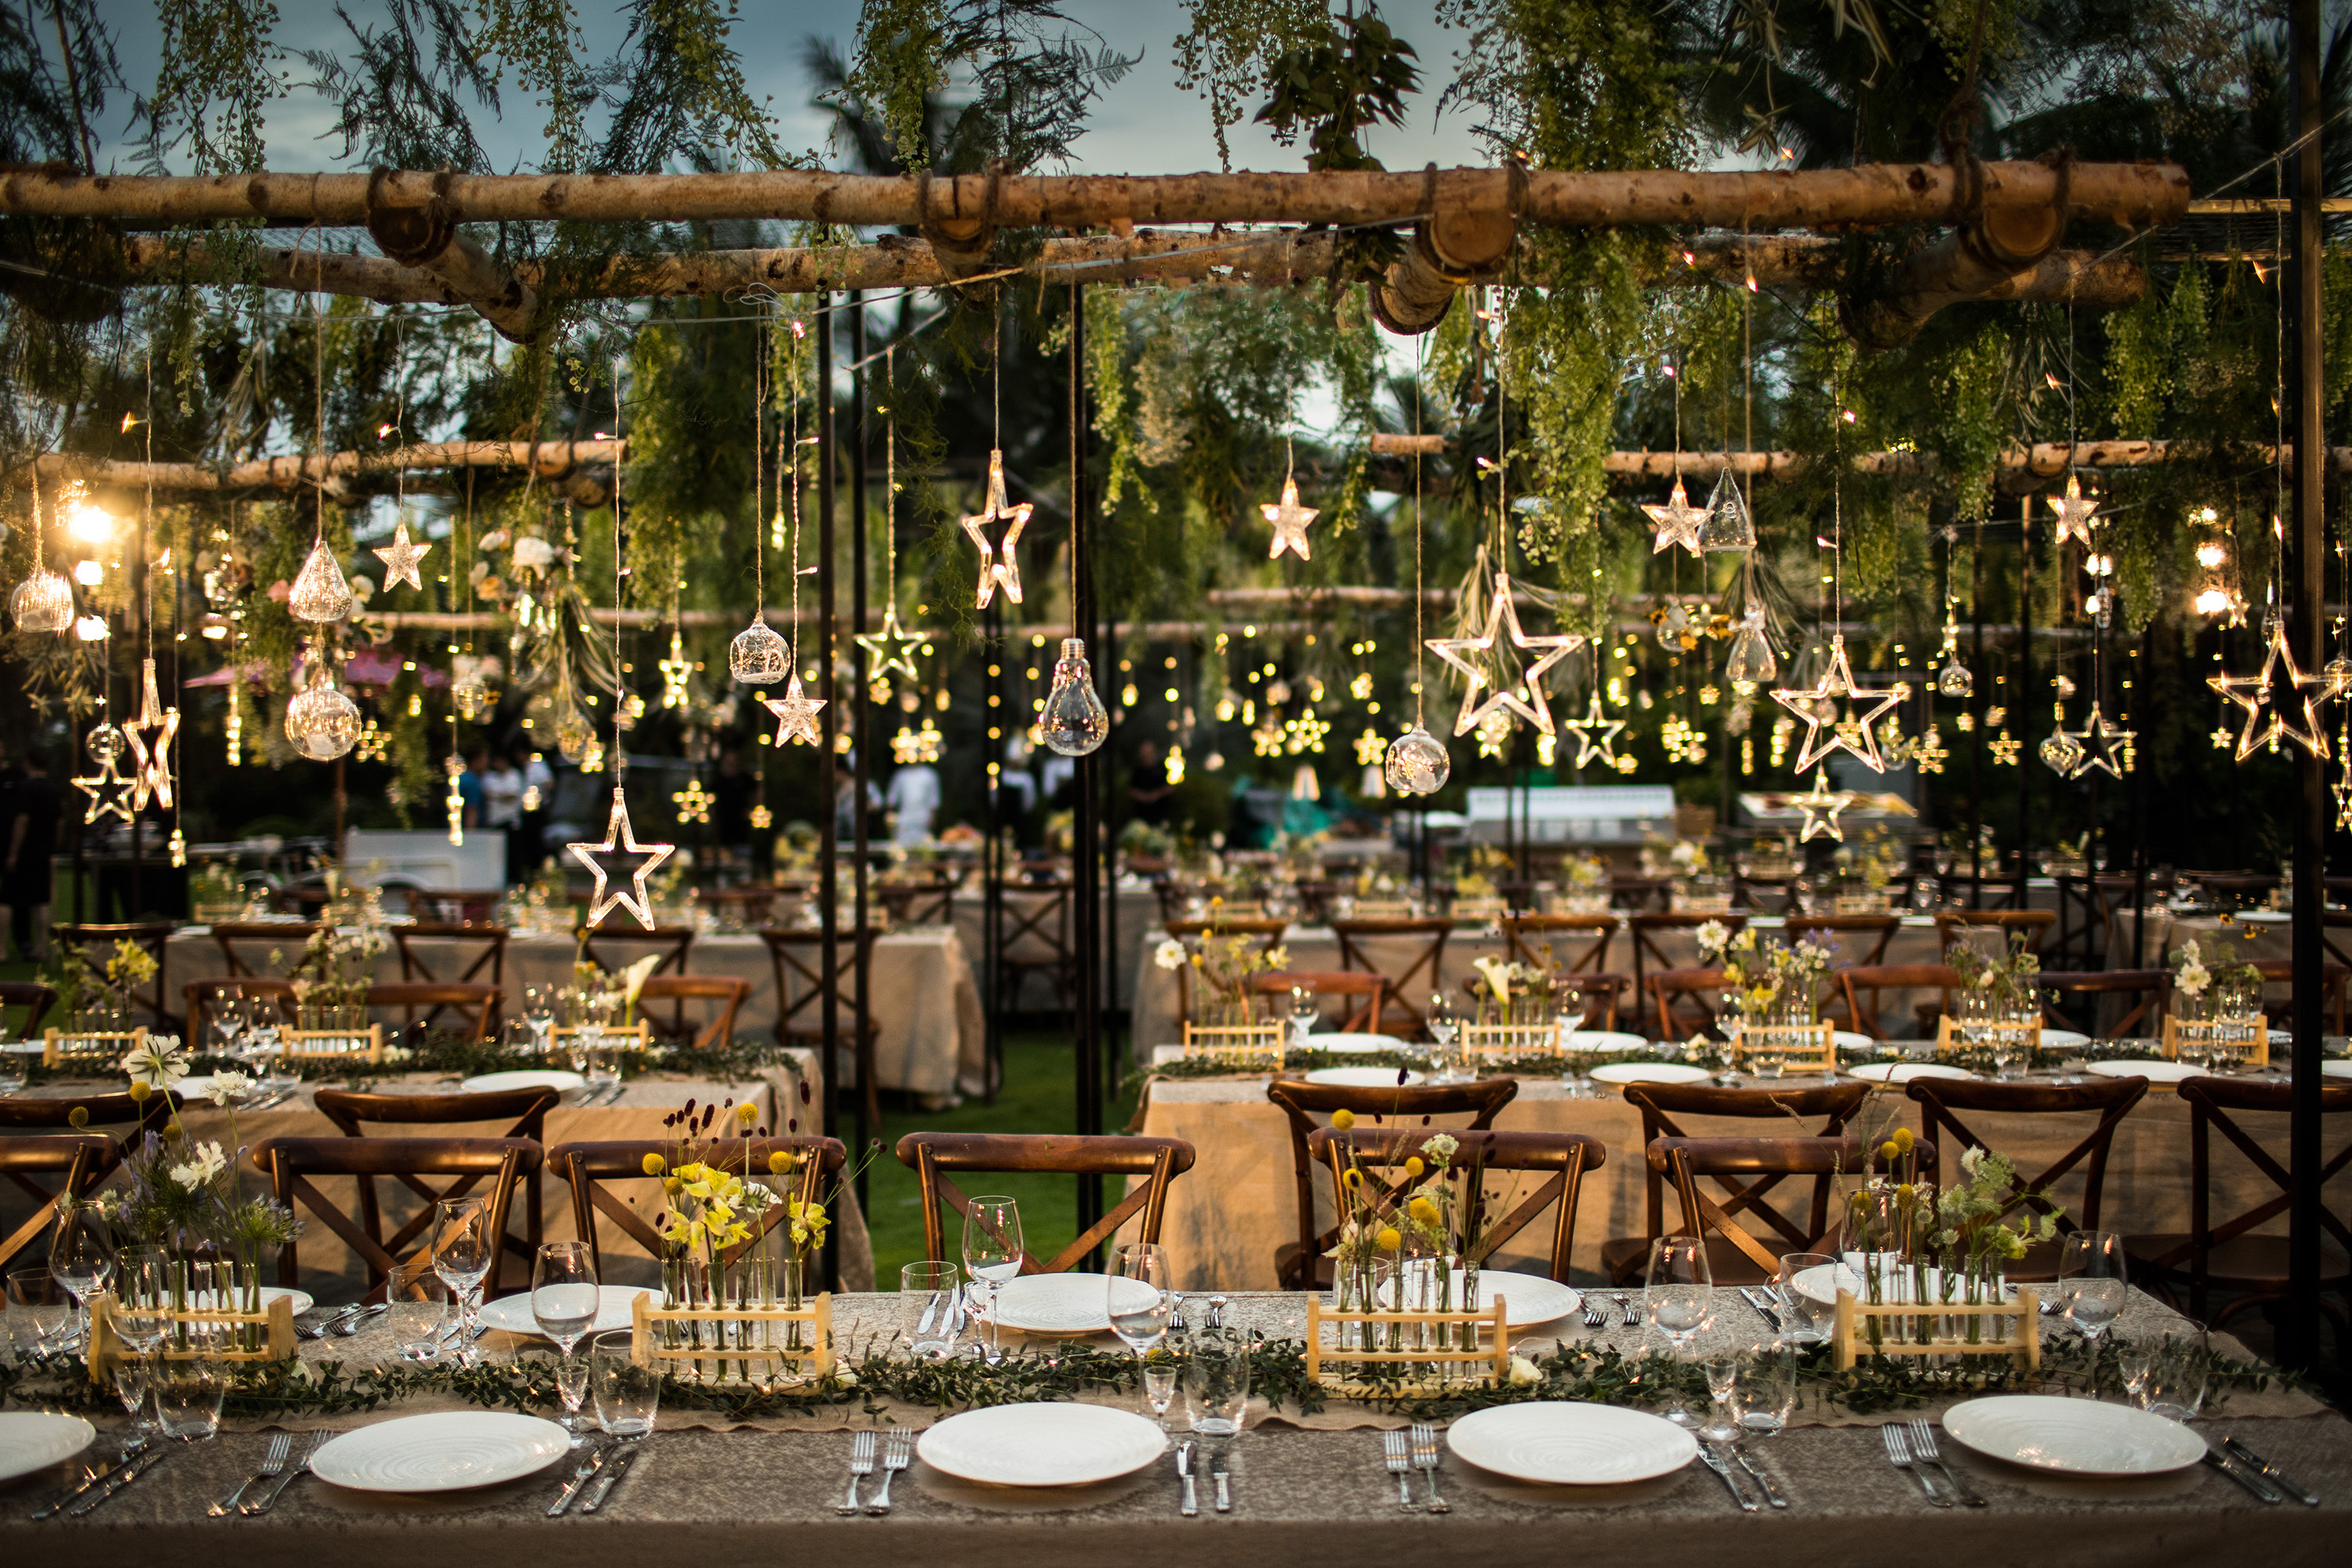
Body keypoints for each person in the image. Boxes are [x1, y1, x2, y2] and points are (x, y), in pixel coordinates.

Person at [2, 748, 59, 961]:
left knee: (7, 898)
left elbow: (22, 820)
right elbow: (59, 822)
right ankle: (41, 947)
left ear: (28, 763)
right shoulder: (53, 788)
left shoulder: (25, 788)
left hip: (25, 850)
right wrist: (53, 847)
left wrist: (13, 852)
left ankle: (1, 949)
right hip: (43, 851)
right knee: (42, 900)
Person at [885, 760, 941, 846]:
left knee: (923, 846)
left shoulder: (929, 775)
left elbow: (934, 799)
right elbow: (892, 797)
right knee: (902, 845)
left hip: (923, 819)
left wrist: (932, 817)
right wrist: (890, 815)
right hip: (904, 819)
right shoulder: (901, 775)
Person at [1127, 739, 1175, 826]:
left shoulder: (1162, 767)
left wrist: (1157, 794)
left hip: (1161, 815)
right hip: (1141, 817)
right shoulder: (1138, 771)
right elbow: (1131, 790)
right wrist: (1144, 797)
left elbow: (1171, 786)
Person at [482, 752, 524, 836]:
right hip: (494, 821)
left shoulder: (514, 775)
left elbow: (512, 796)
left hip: (509, 820)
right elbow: (485, 794)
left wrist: (494, 796)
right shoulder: (489, 777)